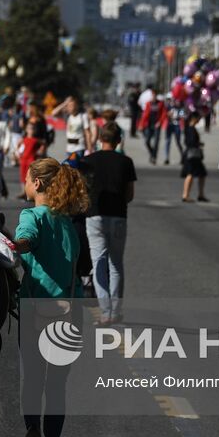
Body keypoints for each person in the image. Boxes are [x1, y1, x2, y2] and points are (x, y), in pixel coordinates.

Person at [15, 157, 87, 437]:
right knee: (57, 389)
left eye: (27, 179)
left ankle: (32, 428)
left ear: (38, 184)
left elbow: (27, 236)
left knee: (33, 381)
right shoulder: (68, 222)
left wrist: (21, 245)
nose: (24, 184)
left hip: (35, 310)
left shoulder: (32, 216)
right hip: (70, 313)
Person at [83, 122, 136, 325]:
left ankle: (105, 312)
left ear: (99, 139)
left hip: (94, 215)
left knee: (98, 263)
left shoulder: (88, 161)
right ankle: (116, 310)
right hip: (118, 215)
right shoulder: (126, 162)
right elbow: (129, 194)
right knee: (116, 264)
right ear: (119, 141)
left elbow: (83, 190)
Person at [180, 113, 208, 203]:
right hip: (192, 155)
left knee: (202, 174)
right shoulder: (191, 129)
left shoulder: (189, 128)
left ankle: (200, 194)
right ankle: (185, 195)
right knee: (190, 174)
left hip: (192, 154)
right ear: (194, 118)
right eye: (198, 118)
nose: (199, 120)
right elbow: (190, 142)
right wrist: (198, 144)